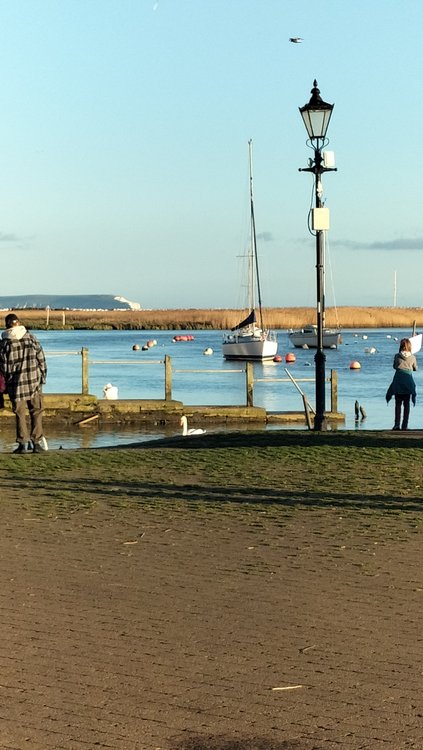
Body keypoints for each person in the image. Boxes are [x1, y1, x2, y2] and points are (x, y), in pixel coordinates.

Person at [0, 313, 47, 453]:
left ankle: (22, 443)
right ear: (19, 323)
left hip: (15, 383)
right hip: (33, 381)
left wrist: (7, 384)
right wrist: (42, 377)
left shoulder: (4, 343)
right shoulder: (31, 338)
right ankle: (36, 441)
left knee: (20, 413)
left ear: (6, 325)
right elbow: (41, 359)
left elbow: (3, 366)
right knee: (36, 411)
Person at [385, 338, 417, 430]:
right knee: (407, 405)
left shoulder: (397, 356)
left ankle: (396, 424)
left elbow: (395, 366)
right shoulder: (413, 357)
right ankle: (405, 425)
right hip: (408, 383)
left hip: (398, 382)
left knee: (397, 404)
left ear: (401, 346)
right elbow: (415, 368)